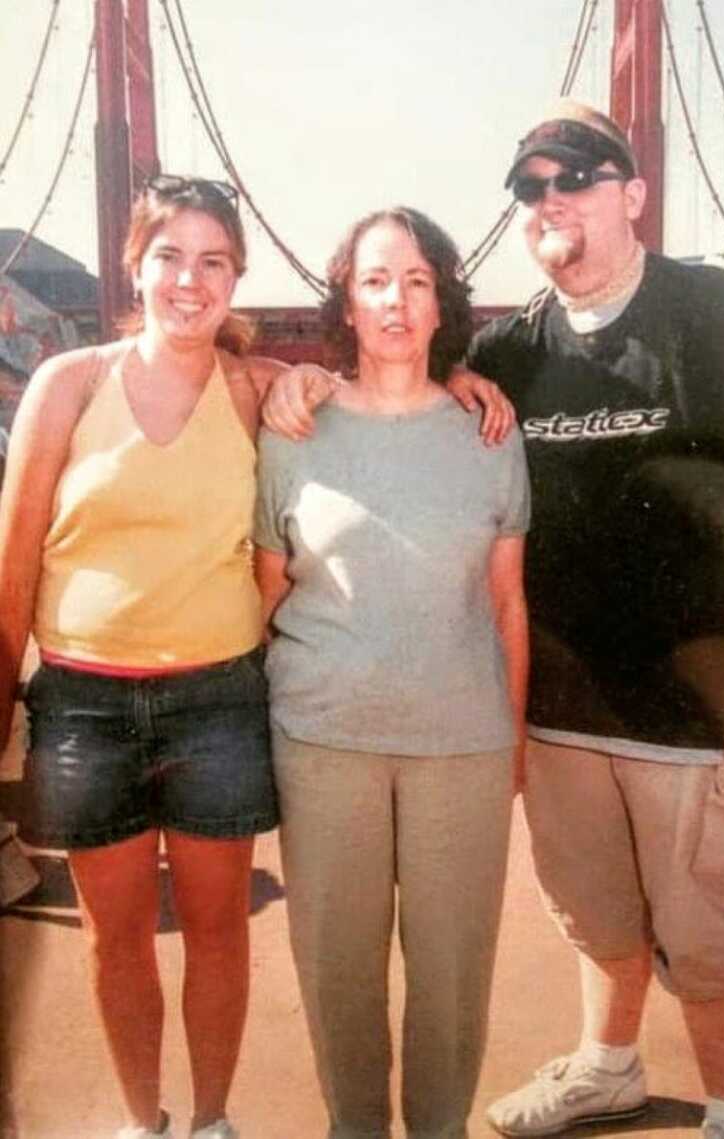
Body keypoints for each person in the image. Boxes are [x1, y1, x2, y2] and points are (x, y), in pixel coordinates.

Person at [264, 100, 724, 1139]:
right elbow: (416, 389)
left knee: (709, 928)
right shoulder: (515, 349)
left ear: (633, 194)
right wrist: (301, 374)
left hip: (698, 711)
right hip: (563, 715)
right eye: (533, 187)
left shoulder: (715, 309)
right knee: (598, 914)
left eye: (579, 177)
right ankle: (608, 1066)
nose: (553, 199)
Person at [0, 175, 286, 1139]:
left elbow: (386, 385)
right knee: (113, 937)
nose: (190, 280)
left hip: (218, 705)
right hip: (84, 709)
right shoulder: (68, 383)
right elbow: (13, 566)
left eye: (213, 261)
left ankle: (210, 1120)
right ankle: (141, 1122)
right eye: (170, 256)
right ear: (136, 264)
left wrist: (466, 379)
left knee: (217, 934)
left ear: (236, 277)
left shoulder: (257, 390)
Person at [253, 206, 529, 1139]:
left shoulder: (488, 429)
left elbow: (507, 603)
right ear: (347, 299)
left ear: (442, 299)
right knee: (338, 972)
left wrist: (515, 741)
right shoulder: (294, 426)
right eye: (376, 279)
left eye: (416, 280)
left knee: (453, 973)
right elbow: (263, 591)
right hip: (324, 742)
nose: (397, 300)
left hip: (465, 747)